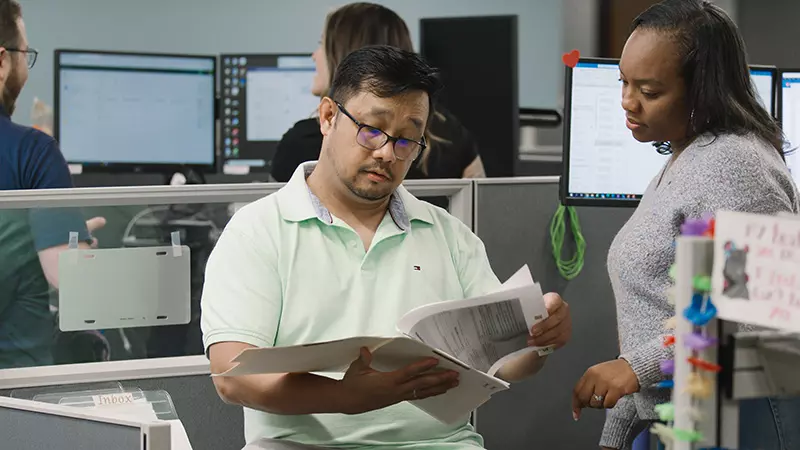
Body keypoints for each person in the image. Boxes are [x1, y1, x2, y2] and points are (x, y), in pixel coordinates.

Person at [202, 45, 572, 450]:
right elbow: (231, 375)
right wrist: (343, 399)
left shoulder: (446, 234)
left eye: (406, 141)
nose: (385, 153)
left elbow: (507, 363)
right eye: (372, 130)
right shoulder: (259, 231)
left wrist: (539, 340)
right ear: (328, 117)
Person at [569, 1, 800, 449]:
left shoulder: (737, 163)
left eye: (650, 91)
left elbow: (760, 317)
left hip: (738, 413)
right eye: (624, 82)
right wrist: (618, 432)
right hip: (685, 412)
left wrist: (637, 367)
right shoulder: (684, 159)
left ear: (703, 91)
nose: (627, 102)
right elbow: (658, 316)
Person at [270, 2, 486, 183]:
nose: (314, 55)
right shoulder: (452, 134)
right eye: (371, 130)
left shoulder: (302, 142)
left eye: (322, 44)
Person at [0, 0, 103, 367]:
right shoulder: (33, 151)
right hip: (16, 392)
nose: (25, 68)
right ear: (1, 62)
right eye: (24, 55)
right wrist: (76, 242)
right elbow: (65, 274)